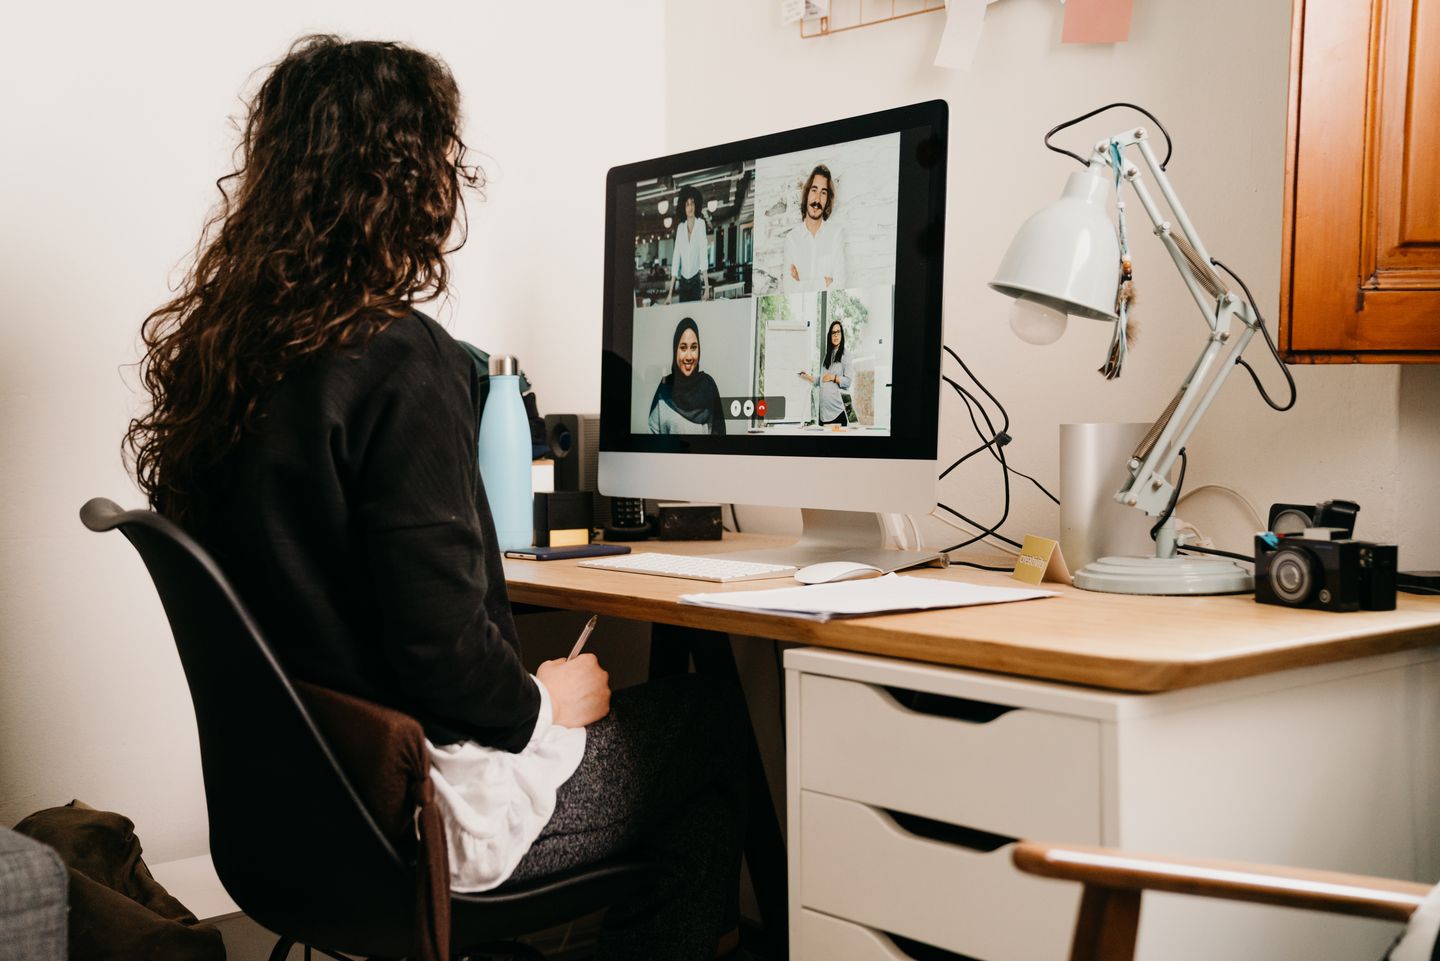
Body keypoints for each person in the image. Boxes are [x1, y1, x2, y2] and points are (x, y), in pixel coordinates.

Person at [124, 35, 745, 961]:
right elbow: (448, 662)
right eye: (446, 157)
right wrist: (546, 699)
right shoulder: (397, 356)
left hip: (303, 823)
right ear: (404, 178)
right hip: (418, 819)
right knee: (708, 725)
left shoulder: (223, 364)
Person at [648, 317, 728, 435]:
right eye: (683, 348)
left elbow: (720, 441)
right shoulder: (664, 389)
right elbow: (651, 444)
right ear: (675, 350)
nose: (689, 356)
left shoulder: (708, 387)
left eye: (694, 347)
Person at [782, 163, 847, 293]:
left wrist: (802, 284)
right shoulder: (792, 239)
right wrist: (825, 282)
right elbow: (789, 288)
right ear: (806, 194)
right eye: (814, 190)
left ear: (827, 200)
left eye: (823, 193)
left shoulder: (835, 235)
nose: (817, 199)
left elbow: (840, 284)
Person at [799, 320, 854, 425]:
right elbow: (822, 380)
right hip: (823, 415)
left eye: (838, 332)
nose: (836, 335)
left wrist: (833, 377)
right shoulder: (827, 356)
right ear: (830, 336)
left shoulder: (846, 355)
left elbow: (848, 381)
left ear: (842, 335)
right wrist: (807, 376)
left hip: (837, 413)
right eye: (833, 333)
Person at [665, 184, 710, 303]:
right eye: (687, 204)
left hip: (696, 281)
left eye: (692, 203)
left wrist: (706, 288)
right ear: (683, 208)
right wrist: (670, 294)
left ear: (696, 205)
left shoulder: (701, 225)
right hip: (683, 283)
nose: (690, 207)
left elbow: (703, 256)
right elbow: (676, 259)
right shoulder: (680, 228)